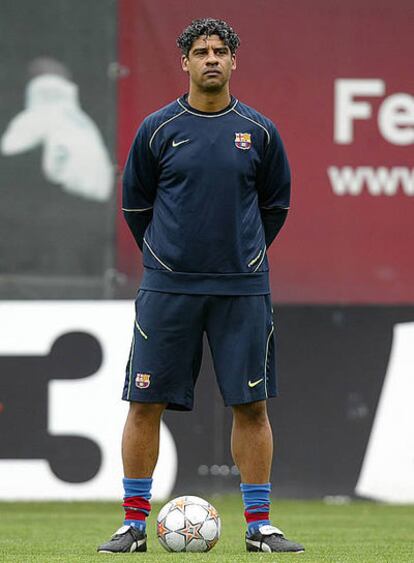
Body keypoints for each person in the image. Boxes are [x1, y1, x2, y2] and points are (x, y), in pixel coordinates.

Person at [98, 18, 304, 554]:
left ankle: (259, 527)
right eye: (200, 52)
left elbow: (274, 207)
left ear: (234, 62)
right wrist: (170, 259)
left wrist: (242, 254)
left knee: (252, 407)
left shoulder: (259, 132)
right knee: (144, 404)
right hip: (168, 290)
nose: (211, 59)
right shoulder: (157, 129)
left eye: (220, 51)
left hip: (241, 288)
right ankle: (134, 525)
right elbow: (136, 205)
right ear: (184, 62)